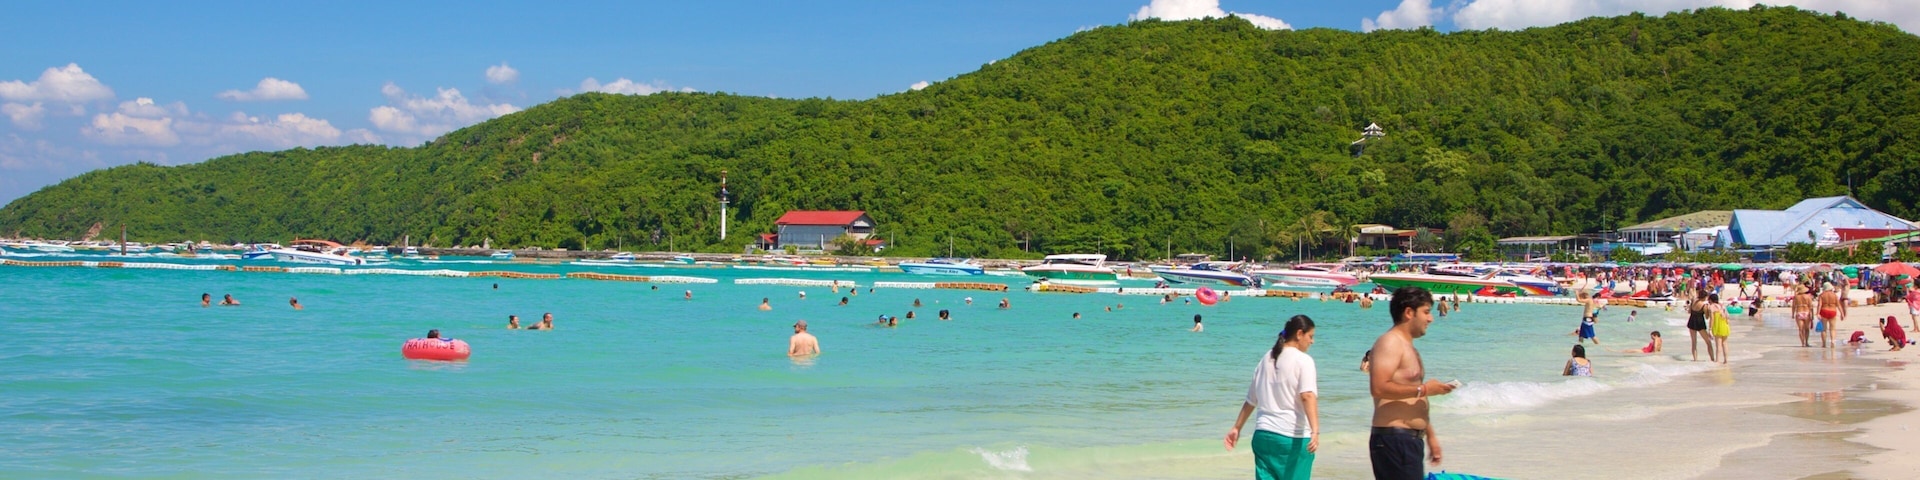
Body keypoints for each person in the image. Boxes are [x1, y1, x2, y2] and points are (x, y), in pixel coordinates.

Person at [1368, 286, 1456, 479]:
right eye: (1426, 312)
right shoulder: (1390, 342)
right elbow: (1378, 387)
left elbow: (1413, 398)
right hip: (1394, 439)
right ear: (1409, 312)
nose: (1430, 318)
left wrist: (1430, 435)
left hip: (1407, 439)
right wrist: (1424, 389)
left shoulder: (1407, 346)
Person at [1225, 315, 1320, 480]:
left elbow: (1251, 400)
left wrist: (1237, 427)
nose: (1312, 342)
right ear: (1299, 334)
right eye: (1310, 336)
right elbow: (1307, 396)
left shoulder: (1266, 358)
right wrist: (1315, 431)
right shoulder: (1304, 360)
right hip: (1291, 439)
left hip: (1263, 436)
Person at [1686, 291, 1716, 362]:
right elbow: (1707, 317)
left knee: (1694, 342)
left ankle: (1695, 359)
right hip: (1700, 323)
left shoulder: (1693, 301)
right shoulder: (1704, 305)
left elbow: (1689, 311)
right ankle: (1712, 359)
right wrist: (1709, 310)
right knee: (1708, 342)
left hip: (1691, 321)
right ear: (1705, 297)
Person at [1708, 294, 1731, 364]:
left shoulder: (1711, 307)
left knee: (1718, 345)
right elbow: (1727, 316)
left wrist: (1710, 329)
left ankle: (1717, 361)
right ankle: (1726, 360)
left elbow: (1712, 319)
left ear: (1710, 300)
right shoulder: (1722, 306)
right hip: (1725, 325)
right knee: (1725, 343)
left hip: (1717, 326)